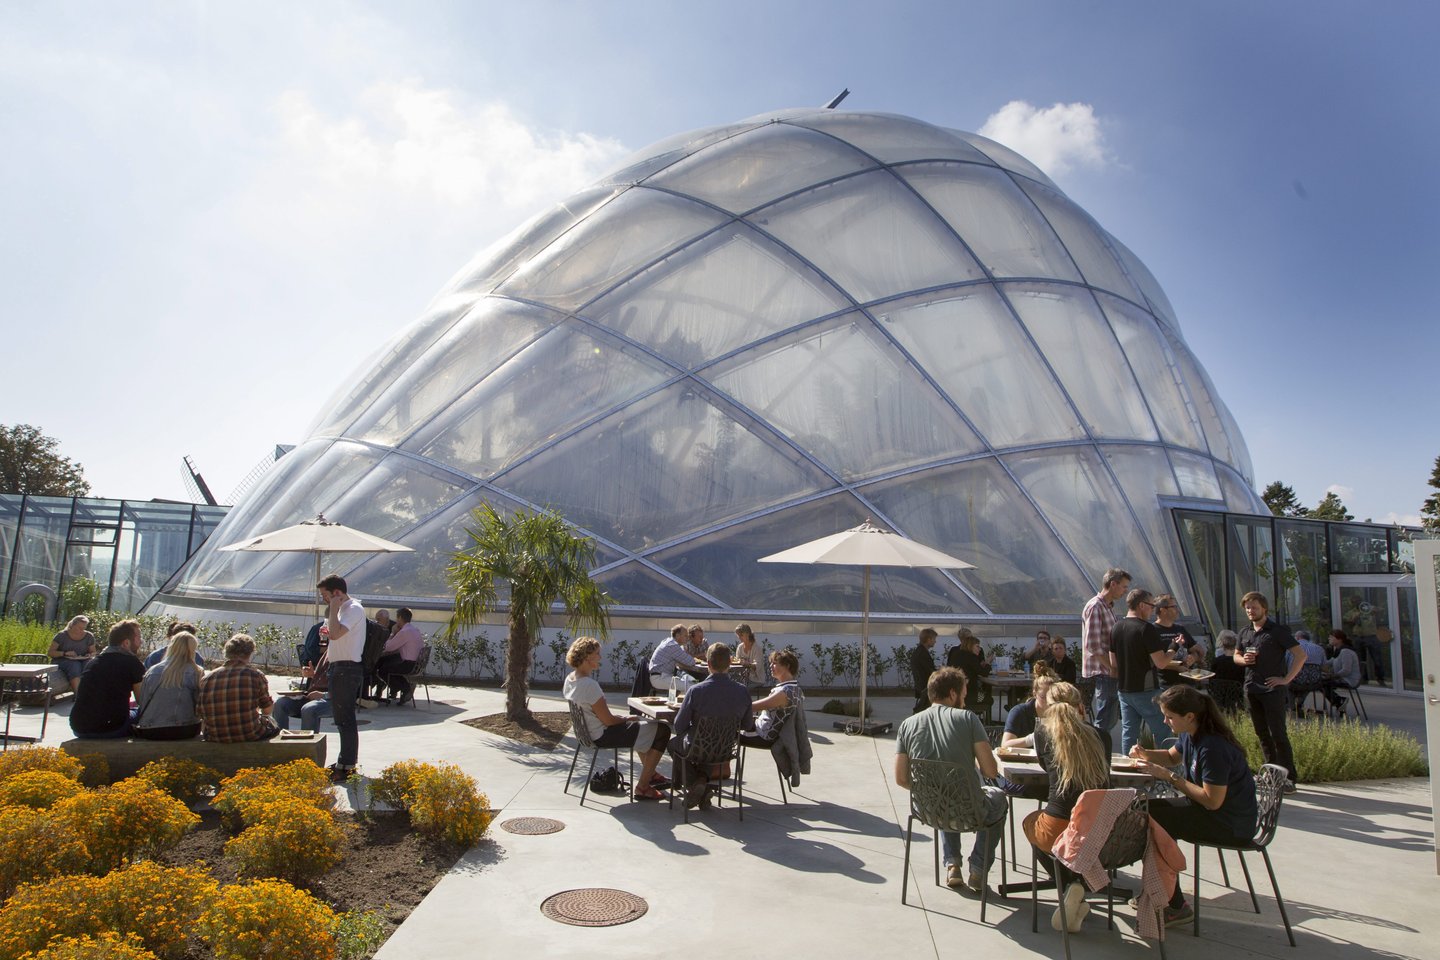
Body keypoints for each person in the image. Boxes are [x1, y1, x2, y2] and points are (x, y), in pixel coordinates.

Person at [1130, 685, 1259, 927]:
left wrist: (1169, 777)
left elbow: (1212, 801)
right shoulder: (1190, 734)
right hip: (1210, 812)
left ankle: (1173, 903)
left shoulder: (1212, 748)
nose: (1165, 721)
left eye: (1169, 717)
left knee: (1156, 821)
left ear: (1189, 716)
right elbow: (1172, 757)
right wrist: (1144, 754)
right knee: (1146, 809)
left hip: (1230, 824)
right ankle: (1160, 892)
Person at [894, 666, 1008, 893]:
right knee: (999, 799)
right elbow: (990, 771)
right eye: (963, 695)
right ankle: (978, 868)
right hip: (969, 810)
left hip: (927, 810)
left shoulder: (908, 724)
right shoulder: (968, 719)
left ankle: (952, 864)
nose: (964, 702)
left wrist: (927, 789)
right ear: (953, 694)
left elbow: (901, 778)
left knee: (945, 792)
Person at [1016, 681, 1112, 932]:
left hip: (1059, 825)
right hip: (1100, 829)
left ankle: (1069, 885)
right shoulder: (1102, 736)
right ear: (1080, 706)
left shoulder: (1043, 735)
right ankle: (1077, 886)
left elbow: (1046, 769)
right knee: (1073, 831)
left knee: (1031, 824)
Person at [563, 636, 672, 801]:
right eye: (597, 654)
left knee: (643, 726)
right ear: (587, 657)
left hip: (586, 735)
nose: (600, 657)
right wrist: (627, 718)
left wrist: (629, 719)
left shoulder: (570, 679)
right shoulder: (589, 685)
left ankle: (651, 774)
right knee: (662, 730)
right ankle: (643, 787)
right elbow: (608, 721)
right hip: (601, 736)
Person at [670, 642, 753, 810]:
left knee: (674, 744)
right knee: (711, 743)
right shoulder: (742, 691)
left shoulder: (696, 691)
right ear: (729, 664)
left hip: (698, 746)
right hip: (726, 748)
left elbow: (679, 726)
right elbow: (747, 724)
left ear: (708, 664)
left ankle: (697, 784)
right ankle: (702, 782)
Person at [1235, 591, 1302, 792]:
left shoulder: (1277, 631)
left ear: (1264, 608)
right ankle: (1271, 773)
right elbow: (1236, 655)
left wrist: (1286, 679)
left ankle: (1288, 777)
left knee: (1277, 733)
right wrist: (1243, 660)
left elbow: (1300, 655)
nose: (1250, 611)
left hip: (1272, 689)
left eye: (1254, 607)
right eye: (1247, 608)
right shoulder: (1245, 632)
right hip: (1251, 688)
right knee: (1262, 733)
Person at [318, 574, 366, 781]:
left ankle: (347, 765)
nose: (323, 599)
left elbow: (336, 634)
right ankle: (344, 762)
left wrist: (333, 609)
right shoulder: (342, 610)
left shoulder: (353, 609)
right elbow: (333, 635)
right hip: (339, 667)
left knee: (345, 719)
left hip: (347, 668)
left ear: (336, 593)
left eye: (325, 595)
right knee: (341, 718)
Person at [1114, 588, 1173, 756]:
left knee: (1129, 733)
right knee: (1163, 731)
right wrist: (1173, 648)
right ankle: (1169, 769)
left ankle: (1128, 766)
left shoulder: (1116, 627)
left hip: (1124, 690)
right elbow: (1161, 663)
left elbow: (1113, 663)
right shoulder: (1146, 629)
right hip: (1146, 691)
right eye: (1151, 606)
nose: (1153, 610)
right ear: (1141, 605)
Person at [69, 619, 145, 738]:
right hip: (111, 728)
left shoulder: (93, 663)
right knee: (142, 712)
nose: (141, 641)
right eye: (139, 637)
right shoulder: (133, 663)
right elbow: (143, 701)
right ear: (126, 643)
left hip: (79, 728)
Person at [198, 634, 278, 743]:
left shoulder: (207, 678)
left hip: (215, 735)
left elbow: (200, 712)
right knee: (272, 723)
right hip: (249, 734)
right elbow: (267, 708)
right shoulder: (255, 675)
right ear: (250, 653)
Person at [1082, 567, 1131, 736]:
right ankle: (1098, 750)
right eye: (1124, 587)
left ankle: (1101, 748)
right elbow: (1093, 645)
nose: (1125, 591)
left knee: (1109, 719)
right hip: (1104, 672)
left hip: (1108, 671)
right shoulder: (1096, 606)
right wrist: (1112, 667)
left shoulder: (1107, 606)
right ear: (1113, 584)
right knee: (1105, 720)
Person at [133, 630, 203, 740]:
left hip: (150, 730)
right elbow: (200, 706)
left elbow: (142, 701)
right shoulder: (196, 671)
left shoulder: (152, 671)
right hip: (185, 729)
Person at [371, 607, 425, 703]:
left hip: (408, 664)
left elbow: (388, 647)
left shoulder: (404, 632)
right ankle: (398, 688)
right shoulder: (414, 630)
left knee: (382, 670)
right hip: (416, 664)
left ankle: (405, 688)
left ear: (400, 618)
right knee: (385, 662)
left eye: (397, 618)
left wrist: (393, 633)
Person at [274, 649, 333, 733]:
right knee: (280, 703)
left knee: (309, 709)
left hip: (333, 700)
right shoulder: (328, 651)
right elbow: (324, 678)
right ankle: (279, 739)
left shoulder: (344, 654)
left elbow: (347, 690)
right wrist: (313, 674)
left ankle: (307, 740)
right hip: (311, 696)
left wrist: (324, 695)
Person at [1153, 595, 1203, 685]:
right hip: (1166, 684)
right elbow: (1153, 660)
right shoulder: (1152, 630)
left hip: (1187, 682)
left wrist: (1193, 658)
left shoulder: (1180, 629)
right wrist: (1176, 668)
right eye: (1174, 607)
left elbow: (1197, 651)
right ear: (1163, 610)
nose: (1177, 610)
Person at [1000, 670, 1056, 747]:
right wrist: (1031, 739)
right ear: (1035, 693)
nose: (1049, 702)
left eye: (1053, 697)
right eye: (1044, 697)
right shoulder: (1019, 712)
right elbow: (1005, 745)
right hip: (1022, 754)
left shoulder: (1060, 712)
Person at [945, 628, 992, 716]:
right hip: (968, 695)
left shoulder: (956, 653)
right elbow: (984, 673)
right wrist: (988, 663)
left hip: (954, 693)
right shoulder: (971, 657)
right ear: (970, 645)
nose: (980, 649)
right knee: (988, 699)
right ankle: (979, 717)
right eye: (977, 646)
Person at [648, 623, 705, 693]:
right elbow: (690, 662)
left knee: (691, 682)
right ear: (678, 636)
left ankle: (683, 699)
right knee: (692, 686)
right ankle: (687, 700)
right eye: (685, 636)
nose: (687, 638)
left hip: (662, 676)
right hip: (660, 678)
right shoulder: (673, 646)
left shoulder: (668, 642)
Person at [1343, 595, 1385, 686]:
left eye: (1357, 601)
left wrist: (1375, 610)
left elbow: (1381, 610)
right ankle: (1363, 678)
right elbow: (1346, 621)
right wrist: (1353, 619)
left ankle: (1380, 678)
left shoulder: (1368, 609)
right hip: (1359, 637)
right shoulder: (1352, 612)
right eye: (1354, 602)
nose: (1356, 603)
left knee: (1377, 659)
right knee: (1360, 660)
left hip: (1371, 636)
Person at [49, 615, 97, 693]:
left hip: (82, 660)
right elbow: (51, 652)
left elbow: (93, 652)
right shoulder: (61, 635)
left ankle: (90, 692)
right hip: (63, 660)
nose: (82, 630)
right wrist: (64, 653)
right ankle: (78, 694)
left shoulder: (89, 636)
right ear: (72, 625)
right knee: (74, 665)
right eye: (79, 628)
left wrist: (90, 655)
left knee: (89, 664)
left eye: (84, 628)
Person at [1287, 629, 1328, 717]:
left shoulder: (1292, 647)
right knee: (1306, 683)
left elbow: (1285, 665)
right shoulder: (1319, 648)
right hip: (1314, 682)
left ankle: (1292, 707)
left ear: (1298, 637)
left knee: (1286, 683)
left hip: (1296, 680)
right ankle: (1298, 703)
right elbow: (1324, 668)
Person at [1321, 629, 1361, 715]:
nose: (1329, 638)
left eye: (1331, 637)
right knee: (1322, 681)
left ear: (1339, 639)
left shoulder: (1346, 651)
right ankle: (1339, 703)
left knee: (1322, 683)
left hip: (1349, 680)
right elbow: (1327, 663)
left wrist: (1332, 676)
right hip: (1342, 678)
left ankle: (1339, 701)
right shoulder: (1338, 651)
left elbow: (1346, 670)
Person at [910, 628, 939, 714]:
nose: (935, 641)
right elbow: (931, 671)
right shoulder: (922, 654)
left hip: (922, 687)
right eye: (934, 639)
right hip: (925, 687)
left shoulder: (919, 651)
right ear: (928, 639)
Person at [732, 623, 766, 689]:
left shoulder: (757, 648)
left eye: (741, 635)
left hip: (756, 680)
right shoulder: (740, 647)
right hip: (744, 679)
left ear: (748, 634)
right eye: (738, 635)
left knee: (741, 688)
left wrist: (748, 664)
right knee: (732, 686)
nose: (739, 637)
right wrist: (732, 661)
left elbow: (757, 666)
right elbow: (738, 662)